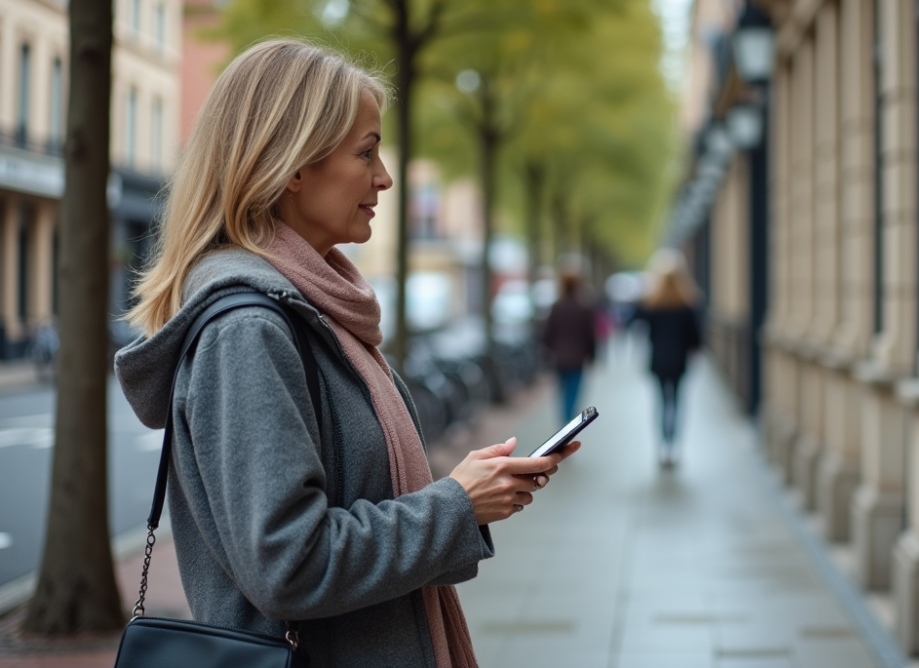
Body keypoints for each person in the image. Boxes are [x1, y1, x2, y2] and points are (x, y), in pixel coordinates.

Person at [115, 39, 579, 668]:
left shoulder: (322, 313)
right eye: (366, 152)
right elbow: (289, 563)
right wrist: (455, 506)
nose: (384, 177)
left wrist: (470, 494)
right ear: (292, 166)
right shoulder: (249, 330)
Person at [632, 250, 703, 468]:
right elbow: (696, 339)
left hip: (658, 360)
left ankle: (663, 445)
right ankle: (673, 446)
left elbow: (637, 323)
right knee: (678, 402)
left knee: (661, 402)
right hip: (679, 361)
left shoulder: (652, 304)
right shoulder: (687, 305)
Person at [541, 270, 596, 423]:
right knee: (573, 392)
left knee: (562, 391)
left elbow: (548, 333)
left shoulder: (556, 307)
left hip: (559, 357)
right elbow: (590, 335)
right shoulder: (584, 307)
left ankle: (564, 422)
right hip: (578, 357)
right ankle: (569, 422)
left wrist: (548, 352)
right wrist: (592, 355)